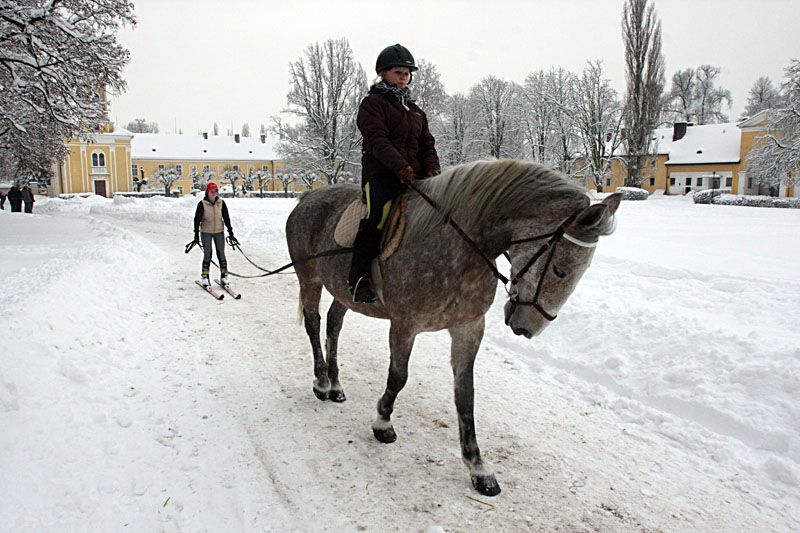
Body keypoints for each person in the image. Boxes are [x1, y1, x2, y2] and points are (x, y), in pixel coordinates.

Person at [348, 43, 441, 303]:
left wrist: (432, 169)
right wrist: (402, 168)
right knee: (377, 216)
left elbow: (427, 144)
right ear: (383, 73)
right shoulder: (372, 104)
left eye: (407, 73)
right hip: (382, 175)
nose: (404, 77)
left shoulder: (415, 110)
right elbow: (378, 141)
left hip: (417, 177)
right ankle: (358, 278)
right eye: (399, 72)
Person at [191, 182, 238, 287]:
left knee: (221, 253)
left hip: (219, 232)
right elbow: (197, 220)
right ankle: (205, 276)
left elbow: (226, 218)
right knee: (208, 253)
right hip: (206, 232)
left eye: (215, 191)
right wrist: (196, 235)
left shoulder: (221, 203)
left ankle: (224, 275)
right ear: (207, 192)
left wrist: (231, 232)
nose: (213, 193)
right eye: (211, 191)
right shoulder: (202, 204)